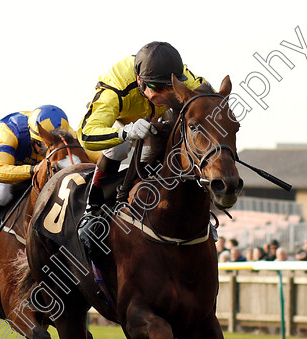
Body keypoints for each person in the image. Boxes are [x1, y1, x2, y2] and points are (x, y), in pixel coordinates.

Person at [76, 42, 211, 246]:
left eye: (170, 86)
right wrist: (125, 132)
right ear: (140, 81)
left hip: (159, 113)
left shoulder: (186, 79)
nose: (164, 94)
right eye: (157, 87)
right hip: (123, 118)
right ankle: (93, 208)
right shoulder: (116, 87)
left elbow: (211, 106)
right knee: (119, 146)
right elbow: (86, 134)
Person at [0, 105, 100, 230]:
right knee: (2, 194)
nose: (45, 149)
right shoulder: (10, 129)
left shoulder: (68, 135)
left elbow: (92, 156)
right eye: (42, 144)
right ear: (33, 138)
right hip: (0, 165)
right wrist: (33, 170)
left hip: (44, 168)